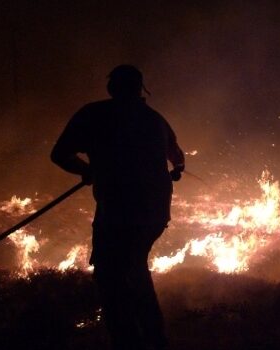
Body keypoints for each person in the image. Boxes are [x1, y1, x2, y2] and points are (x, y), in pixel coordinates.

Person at [51, 65, 185, 350]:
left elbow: (60, 154)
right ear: (140, 90)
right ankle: (153, 339)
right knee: (134, 267)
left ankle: (129, 341)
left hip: (118, 211)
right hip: (154, 212)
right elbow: (177, 156)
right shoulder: (154, 119)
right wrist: (178, 168)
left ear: (112, 89)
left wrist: (86, 171)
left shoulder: (95, 114)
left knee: (110, 276)